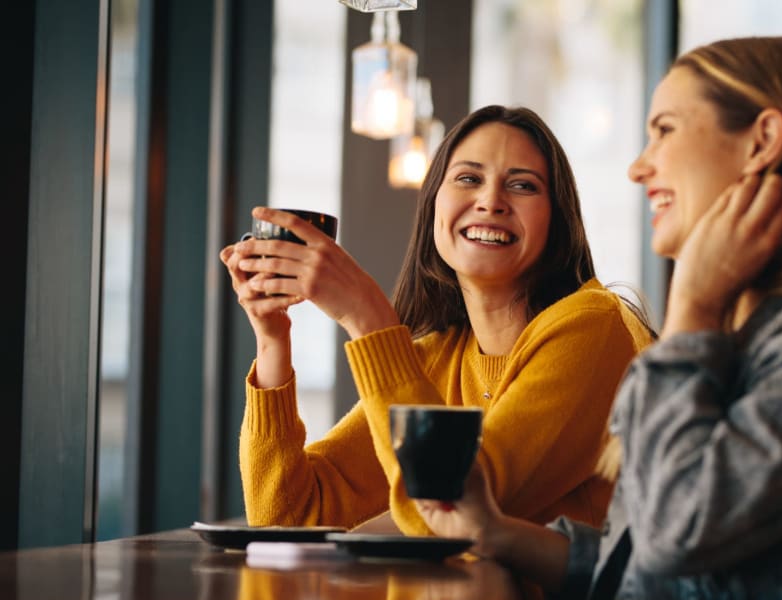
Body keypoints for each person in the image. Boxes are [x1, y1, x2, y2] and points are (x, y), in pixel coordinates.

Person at [415, 36, 782, 600]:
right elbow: (667, 575)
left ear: (761, 141)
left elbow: (682, 527)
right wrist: (499, 533)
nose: (638, 166)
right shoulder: (746, 334)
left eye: (665, 130)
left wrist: (692, 308)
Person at [219, 105, 654, 541]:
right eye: (468, 179)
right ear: (433, 208)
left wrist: (366, 315)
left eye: (522, 185)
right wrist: (273, 339)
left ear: (557, 221)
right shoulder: (437, 358)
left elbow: (452, 511)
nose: (490, 201)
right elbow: (288, 517)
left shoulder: (591, 327)